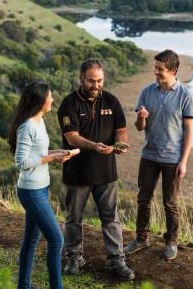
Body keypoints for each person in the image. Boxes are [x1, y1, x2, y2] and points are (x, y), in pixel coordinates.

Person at [58, 58, 135, 280]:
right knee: (74, 218)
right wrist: (95, 146)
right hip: (77, 172)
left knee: (111, 218)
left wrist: (120, 143)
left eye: (100, 80)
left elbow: (121, 129)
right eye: (91, 81)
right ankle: (73, 257)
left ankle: (116, 261)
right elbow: (71, 137)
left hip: (106, 173)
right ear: (81, 78)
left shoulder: (111, 101)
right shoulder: (69, 104)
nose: (96, 85)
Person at [124, 49, 193, 261]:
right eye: (155, 68)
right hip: (149, 156)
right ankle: (141, 239)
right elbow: (139, 127)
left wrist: (183, 161)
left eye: (160, 69)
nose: (155, 72)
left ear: (173, 70)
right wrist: (142, 118)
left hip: (172, 160)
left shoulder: (185, 95)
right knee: (143, 199)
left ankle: (171, 242)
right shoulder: (147, 91)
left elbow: (189, 131)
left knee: (170, 203)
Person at [10, 81, 76, 289]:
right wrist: (51, 159)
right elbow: (21, 162)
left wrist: (56, 153)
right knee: (57, 240)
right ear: (41, 101)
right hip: (30, 191)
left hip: (40, 188)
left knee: (30, 241)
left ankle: (24, 286)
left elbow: (36, 154)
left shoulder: (40, 122)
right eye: (50, 96)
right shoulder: (28, 126)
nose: (53, 99)